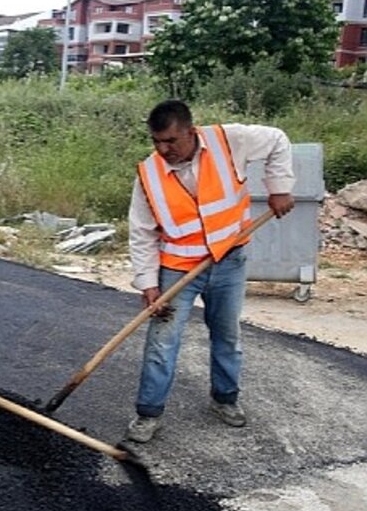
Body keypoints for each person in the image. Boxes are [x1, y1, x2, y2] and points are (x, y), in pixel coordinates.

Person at [125, 99, 295, 444]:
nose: (163, 149)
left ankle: (225, 399)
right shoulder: (149, 174)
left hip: (229, 260)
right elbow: (141, 232)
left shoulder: (229, 141)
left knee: (227, 336)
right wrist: (148, 284)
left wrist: (279, 187)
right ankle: (149, 413)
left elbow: (278, 139)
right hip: (177, 269)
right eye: (156, 141)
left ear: (191, 131)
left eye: (171, 141)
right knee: (161, 343)